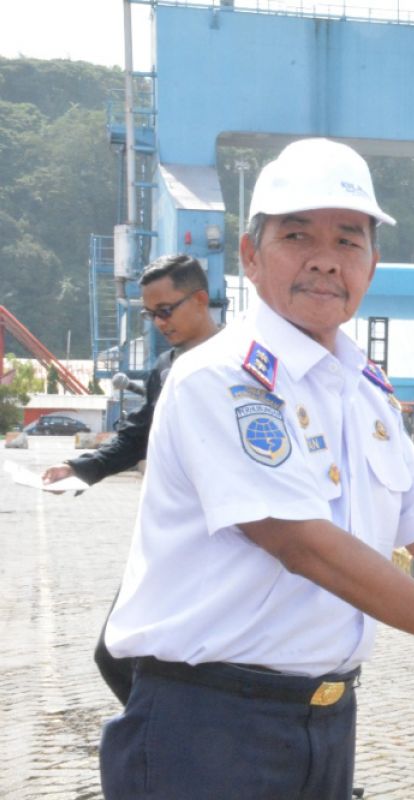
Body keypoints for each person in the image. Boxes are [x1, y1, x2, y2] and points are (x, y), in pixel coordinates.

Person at [98, 138, 414, 800]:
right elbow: (304, 546)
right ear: (250, 256)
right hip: (209, 725)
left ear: (372, 263)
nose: (324, 260)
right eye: (297, 235)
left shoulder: (361, 386)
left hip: (325, 724)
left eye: (348, 240)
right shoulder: (221, 378)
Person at [41, 253, 219, 705]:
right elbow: (137, 435)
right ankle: (169, 741)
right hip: (169, 538)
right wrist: (81, 468)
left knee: (219, 663)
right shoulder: (165, 368)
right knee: (115, 654)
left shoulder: (241, 365)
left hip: (228, 538)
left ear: (200, 299)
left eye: (166, 310)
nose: (159, 322)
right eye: (150, 313)